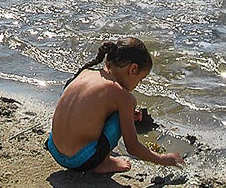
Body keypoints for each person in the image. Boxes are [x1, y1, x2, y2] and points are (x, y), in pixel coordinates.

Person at [46, 38, 183, 174]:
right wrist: (163, 159)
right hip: (80, 160)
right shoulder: (122, 95)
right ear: (133, 69)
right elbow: (132, 148)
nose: (137, 84)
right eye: (140, 79)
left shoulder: (86, 72)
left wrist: (128, 113)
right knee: (126, 106)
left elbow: (83, 109)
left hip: (54, 148)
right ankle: (104, 163)